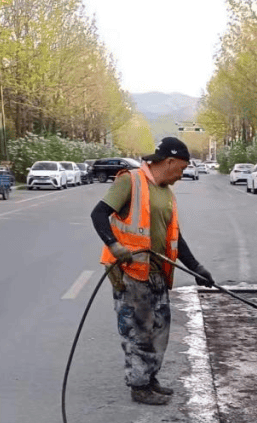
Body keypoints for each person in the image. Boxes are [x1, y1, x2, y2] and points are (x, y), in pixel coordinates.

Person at [90, 137, 214, 405]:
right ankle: (139, 386)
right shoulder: (130, 181)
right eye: (180, 168)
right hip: (131, 271)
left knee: (159, 330)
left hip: (157, 273)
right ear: (168, 161)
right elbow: (98, 215)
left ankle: (150, 378)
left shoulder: (166, 193)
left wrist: (196, 268)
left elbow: (175, 237)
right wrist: (114, 245)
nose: (181, 175)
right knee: (138, 332)